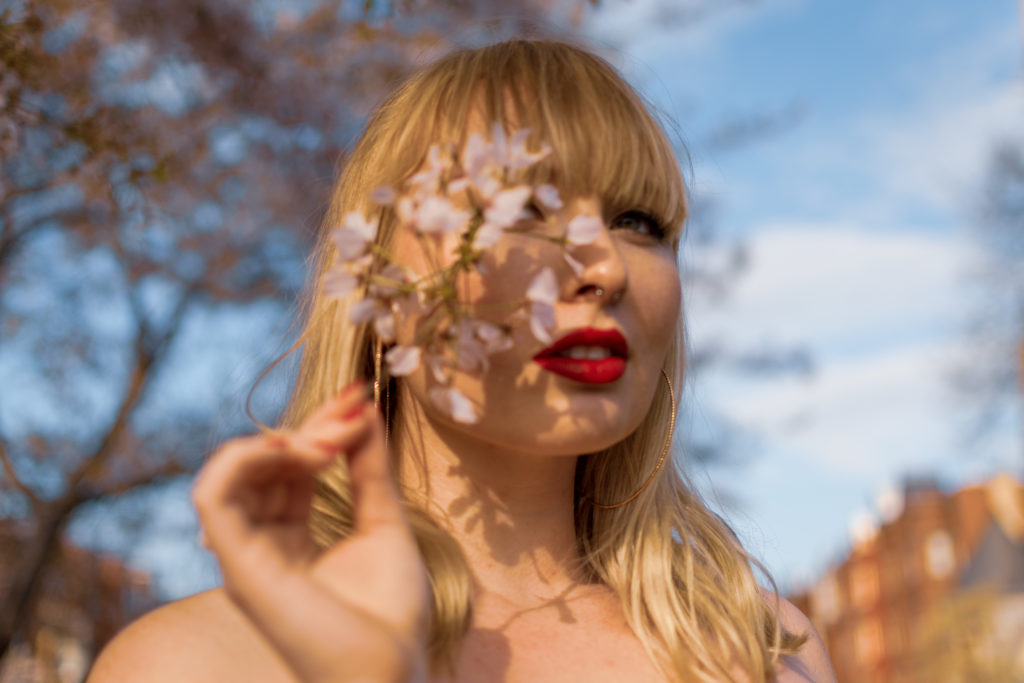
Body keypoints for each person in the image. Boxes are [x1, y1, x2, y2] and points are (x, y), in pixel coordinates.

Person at [88, 39, 835, 682]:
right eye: (519, 212)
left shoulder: (766, 648)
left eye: (638, 221)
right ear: (378, 284)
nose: (603, 264)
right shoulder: (196, 662)